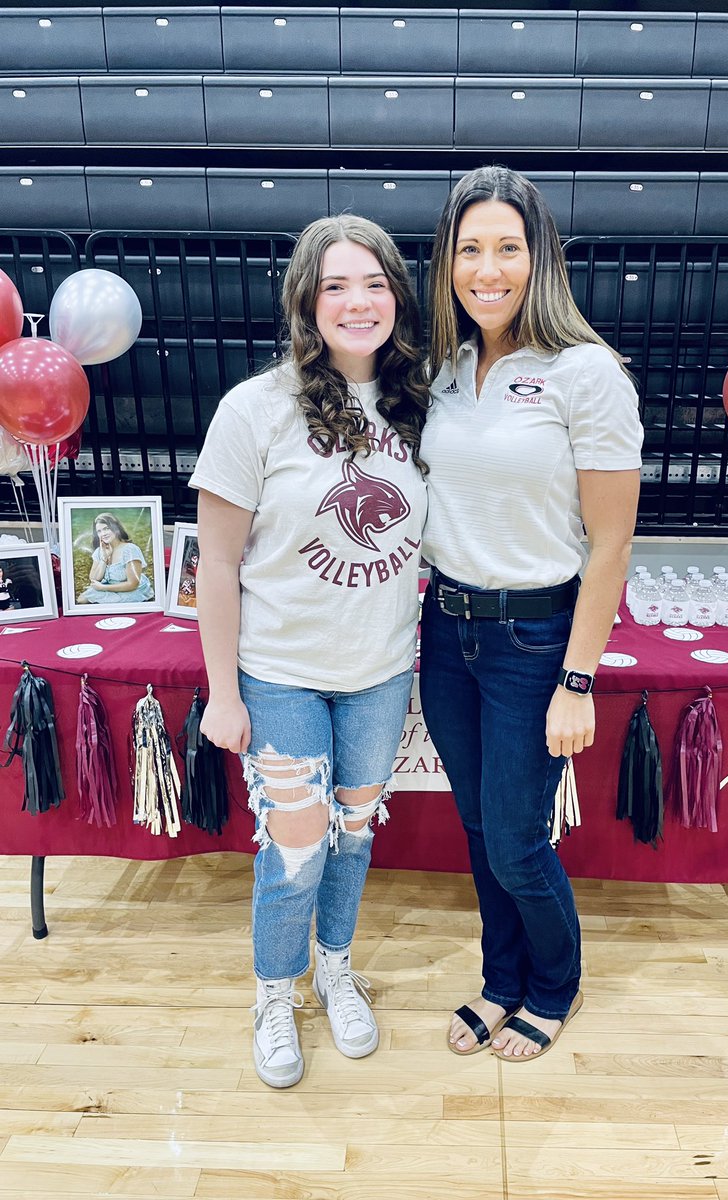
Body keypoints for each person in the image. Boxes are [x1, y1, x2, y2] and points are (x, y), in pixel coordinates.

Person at [190, 215, 429, 1089]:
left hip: (378, 672)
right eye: (335, 285)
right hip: (282, 671)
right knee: (295, 848)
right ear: (306, 301)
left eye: (373, 283)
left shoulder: (421, 404)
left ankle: (335, 969)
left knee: (354, 839)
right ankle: (273, 992)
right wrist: (223, 693)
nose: (357, 301)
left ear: (397, 297)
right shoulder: (256, 408)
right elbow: (216, 564)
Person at [419, 166, 643, 1062]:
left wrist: (577, 679)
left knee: (516, 843)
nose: (487, 267)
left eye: (507, 247)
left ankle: (553, 986)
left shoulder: (586, 374)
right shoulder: (444, 367)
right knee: (478, 828)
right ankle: (500, 979)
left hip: (533, 640)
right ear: (449, 262)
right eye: (470, 248)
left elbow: (614, 545)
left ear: (537, 258)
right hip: (448, 633)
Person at [77, 512, 154, 604]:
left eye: (106, 529)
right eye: (99, 531)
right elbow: (94, 579)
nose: (103, 534)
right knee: (82, 600)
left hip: (129, 589)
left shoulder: (129, 550)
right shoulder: (99, 551)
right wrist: (104, 559)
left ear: (116, 528)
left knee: (114, 603)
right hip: (109, 586)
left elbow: (133, 584)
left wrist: (103, 588)